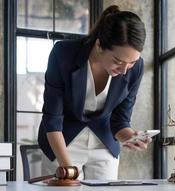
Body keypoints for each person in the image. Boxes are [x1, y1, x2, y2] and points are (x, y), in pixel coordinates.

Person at [38, 5, 149, 180]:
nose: (125, 70)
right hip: (62, 142)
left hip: (103, 146)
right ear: (99, 45)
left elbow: (120, 121)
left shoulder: (136, 68)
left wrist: (131, 137)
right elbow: (52, 119)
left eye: (132, 62)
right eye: (118, 61)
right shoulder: (63, 54)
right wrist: (68, 169)